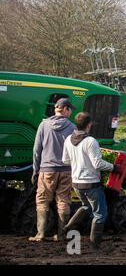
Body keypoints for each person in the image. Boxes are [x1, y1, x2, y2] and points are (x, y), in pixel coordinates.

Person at [61, 111, 119, 249]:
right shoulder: (90, 141)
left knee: (86, 206)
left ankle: (67, 228)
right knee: (100, 213)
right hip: (91, 183)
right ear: (89, 124)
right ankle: (95, 244)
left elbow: (65, 160)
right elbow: (97, 164)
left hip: (76, 182)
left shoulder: (68, 139)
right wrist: (114, 167)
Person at [29, 98, 77, 242]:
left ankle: (41, 234)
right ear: (65, 109)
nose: (71, 113)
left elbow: (37, 150)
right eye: (70, 110)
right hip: (66, 169)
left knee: (42, 200)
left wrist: (35, 170)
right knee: (63, 201)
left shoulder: (43, 126)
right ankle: (61, 235)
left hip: (47, 169)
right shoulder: (72, 127)